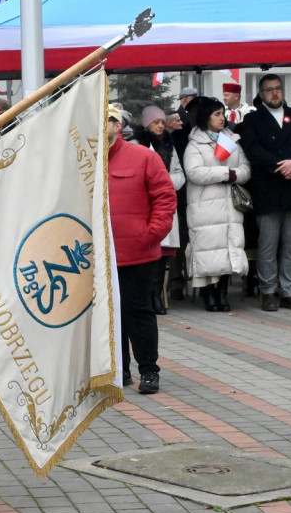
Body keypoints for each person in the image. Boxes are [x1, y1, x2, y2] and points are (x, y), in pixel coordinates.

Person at [106, 107, 176, 393]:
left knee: (139, 312)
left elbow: (165, 197)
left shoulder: (144, 156)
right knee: (110, 315)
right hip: (100, 255)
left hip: (138, 252)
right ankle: (119, 370)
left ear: (119, 125)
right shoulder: (86, 160)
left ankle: (148, 370)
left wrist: (152, 233)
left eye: (107, 119)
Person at [237, 74, 291, 312]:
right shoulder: (253, 119)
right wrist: (281, 167)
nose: (275, 93)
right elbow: (252, 149)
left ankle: (290, 291)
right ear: (261, 94)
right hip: (268, 188)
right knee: (268, 244)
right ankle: (268, 291)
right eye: (269, 90)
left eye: (278, 88)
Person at [183, 97, 252, 312]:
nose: (222, 118)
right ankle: (208, 294)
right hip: (205, 207)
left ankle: (223, 292)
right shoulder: (195, 144)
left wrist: (233, 174)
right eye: (217, 114)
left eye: (223, 114)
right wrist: (225, 173)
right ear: (206, 118)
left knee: (227, 250)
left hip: (230, 206)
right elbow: (194, 172)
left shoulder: (232, 140)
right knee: (209, 251)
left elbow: (246, 169)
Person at [134, 106, 185, 315]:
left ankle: (157, 293)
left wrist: (163, 183)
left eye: (163, 122)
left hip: (165, 204)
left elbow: (179, 175)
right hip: (145, 207)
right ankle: (149, 295)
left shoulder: (168, 146)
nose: (161, 126)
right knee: (150, 255)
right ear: (147, 124)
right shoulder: (137, 145)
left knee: (164, 256)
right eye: (156, 122)